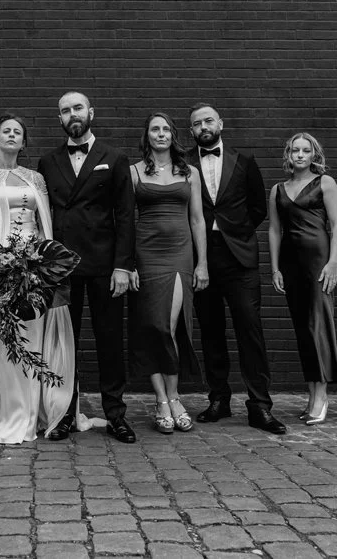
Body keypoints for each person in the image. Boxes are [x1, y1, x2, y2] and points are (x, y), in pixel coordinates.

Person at [38, 91, 137, 444]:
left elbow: (125, 215)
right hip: (62, 268)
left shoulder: (115, 157)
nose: (72, 114)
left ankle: (116, 414)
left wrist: (123, 266)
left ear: (91, 112)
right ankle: (65, 413)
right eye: (65, 111)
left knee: (109, 341)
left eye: (77, 108)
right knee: (65, 345)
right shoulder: (47, 162)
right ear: (60, 119)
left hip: (104, 266)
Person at [0, 115, 76, 444]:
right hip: (3, 267)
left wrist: (47, 265)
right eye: (6, 132)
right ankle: (10, 414)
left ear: (24, 142)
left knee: (34, 340)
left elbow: (45, 225)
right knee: (7, 342)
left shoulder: (35, 179)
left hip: (36, 269)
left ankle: (35, 412)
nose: (12, 136)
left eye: (18, 132)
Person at [188, 103, 286, 435]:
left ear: (221, 124)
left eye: (208, 120)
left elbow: (258, 205)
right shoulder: (183, 163)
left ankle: (260, 405)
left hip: (239, 257)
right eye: (197, 123)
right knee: (211, 330)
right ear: (191, 131)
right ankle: (219, 399)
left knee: (250, 330)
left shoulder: (244, 161)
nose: (203, 126)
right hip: (200, 258)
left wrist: (238, 230)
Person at [128, 113, 209, 434]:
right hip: (146, 255)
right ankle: (161, 400)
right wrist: (129, 262)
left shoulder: (189, 172)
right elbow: (125, 219)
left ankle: (175, 396)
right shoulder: (133, 172)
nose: (160, 134)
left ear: (173, 135)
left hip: (179, 255)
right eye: (154, 129)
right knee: (152, 326)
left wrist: (202, 262)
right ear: (146, 135)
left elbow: (198, 220)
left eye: (165, 129)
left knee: (171, 326)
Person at [268, 133, 337, 426]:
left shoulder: (325, 182)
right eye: (295, 150)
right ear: (288, 155)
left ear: (314, 154)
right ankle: (312, 393)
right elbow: (274, 230)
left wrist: (333, 263)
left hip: (318, 260)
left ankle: (322, 395)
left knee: (319, 324)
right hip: (291, 262)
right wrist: (275, 268)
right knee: (303, 328)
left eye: (305, 150)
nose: (300, 155)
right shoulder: (277, 189)